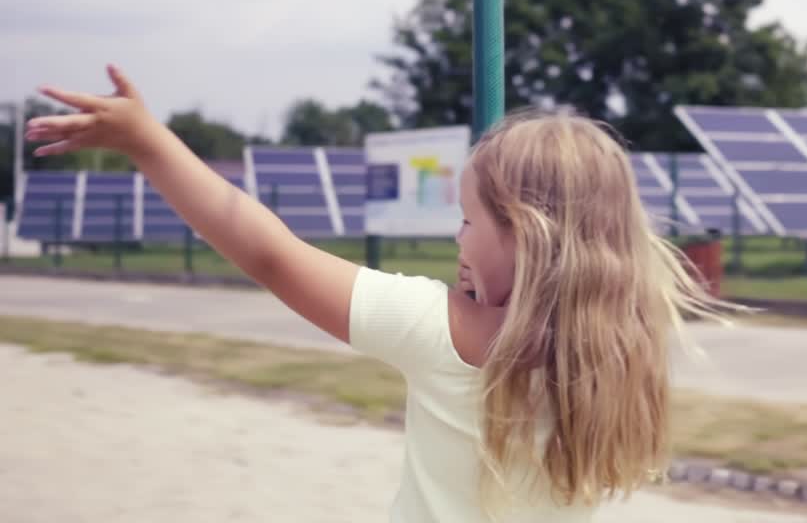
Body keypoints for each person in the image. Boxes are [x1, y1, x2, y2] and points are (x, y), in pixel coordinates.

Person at [26, 65, 735, 522]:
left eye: (467, 221)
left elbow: (271, 254)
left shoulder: (440, 331)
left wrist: (150, 143)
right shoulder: (622, 345)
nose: (456, 240)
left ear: (522, 232)